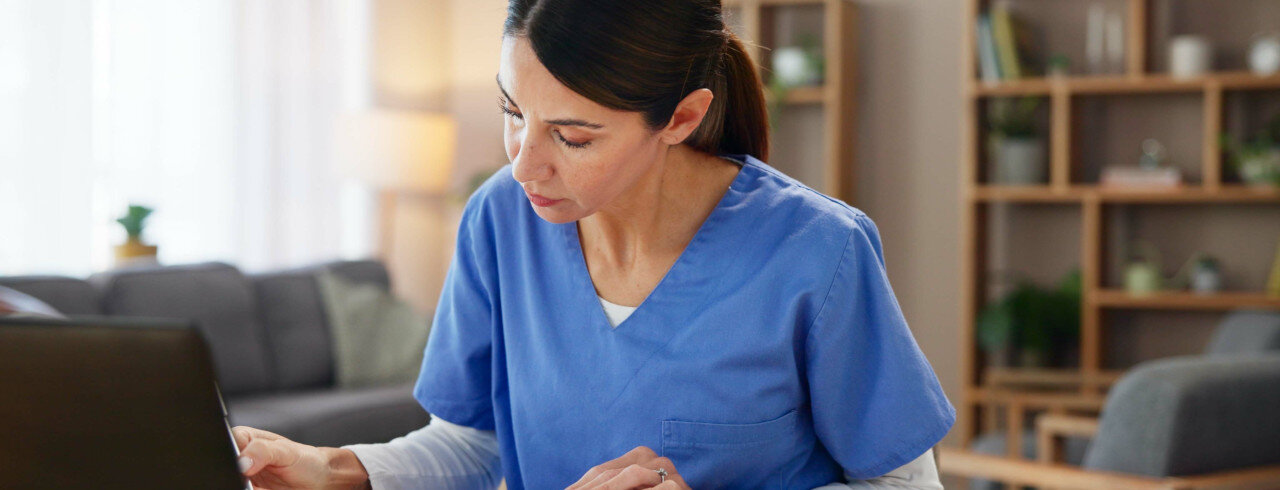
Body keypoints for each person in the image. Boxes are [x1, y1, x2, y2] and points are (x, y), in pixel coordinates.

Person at [231, 0, 955, 488]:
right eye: (513, 112)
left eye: (572, 137)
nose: (523, 163)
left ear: (681, 117)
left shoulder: (816, 253)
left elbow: (905, 482)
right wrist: (335, 468)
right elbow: (475, 443)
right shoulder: (499, 222)